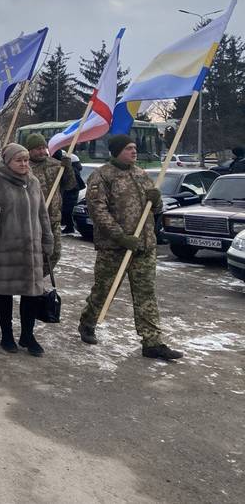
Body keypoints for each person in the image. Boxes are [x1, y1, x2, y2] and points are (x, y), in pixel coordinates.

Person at [77, 135, 183, 361]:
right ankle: (88, 322)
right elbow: (98, 212)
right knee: (104, 290)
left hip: (144, 246)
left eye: (135, 148)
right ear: (116, 151)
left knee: (146, 295)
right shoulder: (102, 176)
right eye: (128, 148)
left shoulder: (140, 174)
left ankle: (152, 342)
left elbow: (154, 209)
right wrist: (121, 237)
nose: (134, 152)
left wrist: (157, 200)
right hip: (114, 248)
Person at [0, 143, 53, 356]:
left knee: (31, 293)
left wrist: (48, 238)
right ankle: (6, 335)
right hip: (4, 248)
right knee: (5, 293)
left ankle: (28, 335)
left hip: (30, 248)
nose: (24, 164)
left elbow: (42, 214)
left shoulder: (33, 182)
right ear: (7, 162)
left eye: (26, 160)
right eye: (18, 160)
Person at [25, 133, 76, 276]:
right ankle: (32, 280)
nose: (42, 152)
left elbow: (70, 185)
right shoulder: (24, 167)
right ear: (29, 150)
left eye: (44, 148)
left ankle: (39, 278)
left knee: (54, 254)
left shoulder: (55, 164)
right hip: (33, 219)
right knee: (34, 254)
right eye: (37, 149)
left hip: (53, 218)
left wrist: (68, 169)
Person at [59, 151, 84, 234]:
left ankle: (70, 226)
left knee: (68, 210)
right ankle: (69, 226)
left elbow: (72, 182)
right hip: (71, 192)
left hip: (71, 192)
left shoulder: (72, 170)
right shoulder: (74, 168)